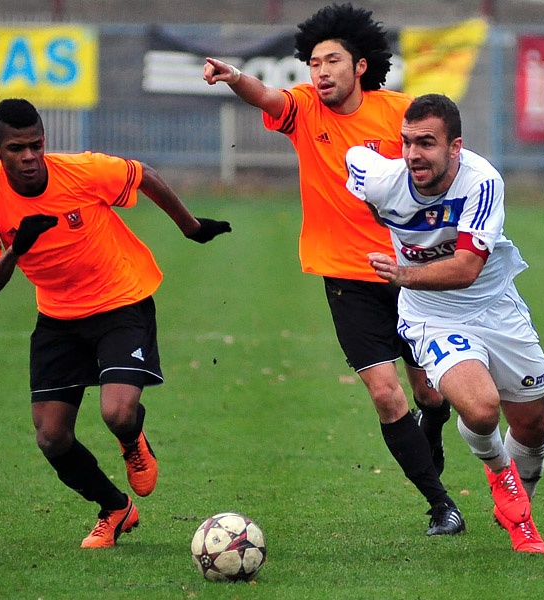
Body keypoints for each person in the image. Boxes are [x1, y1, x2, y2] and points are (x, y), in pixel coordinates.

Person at [202, 3, 463, 536]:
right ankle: (441, 506)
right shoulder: (303, 110)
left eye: (331, 61)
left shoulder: (401, 115)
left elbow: (443, 171)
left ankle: (432, 422)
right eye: (313, 63)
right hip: (346, 276)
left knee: (431, 395)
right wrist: (234, 78)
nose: (319, 72)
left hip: (409, 272)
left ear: (360, 65)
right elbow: (268, 95)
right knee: (386, 393)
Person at [0, 98, 232, 548]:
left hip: (120, 300)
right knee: (51, 437)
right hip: (58, 317)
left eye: (35, 146)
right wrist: (16, 250)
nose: (29, 157)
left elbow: (142, 174)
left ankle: (132, 440)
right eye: (16, 149)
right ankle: (115, 508)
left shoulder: (82, 171)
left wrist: (189, 226)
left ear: (45, 142)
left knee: (117, 412)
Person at [345, 93, 544, 553]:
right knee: (480, 410)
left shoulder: (482, 182)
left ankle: (519, 499)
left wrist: (402, 273)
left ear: (455, 147)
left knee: (533, 421)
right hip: (431, 315)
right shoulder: (382, 179)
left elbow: (465, 269)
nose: (414, 154)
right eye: (406, 142)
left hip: (496, 304)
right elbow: (354, 156)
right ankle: (505, 484)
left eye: (427, 143)